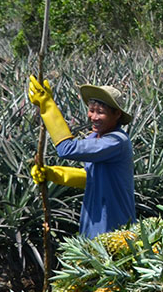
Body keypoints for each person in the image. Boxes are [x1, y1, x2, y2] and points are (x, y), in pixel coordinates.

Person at [28, 77, 135, 238]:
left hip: (115, 230)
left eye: (101, 112)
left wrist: (48, 107)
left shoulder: (117, 141)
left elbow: (66, 149)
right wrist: (54, 174)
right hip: (92, 227)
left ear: (117, 114)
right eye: (92, 110)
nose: (93, 117)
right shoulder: (94, 138)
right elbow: (90, 177)